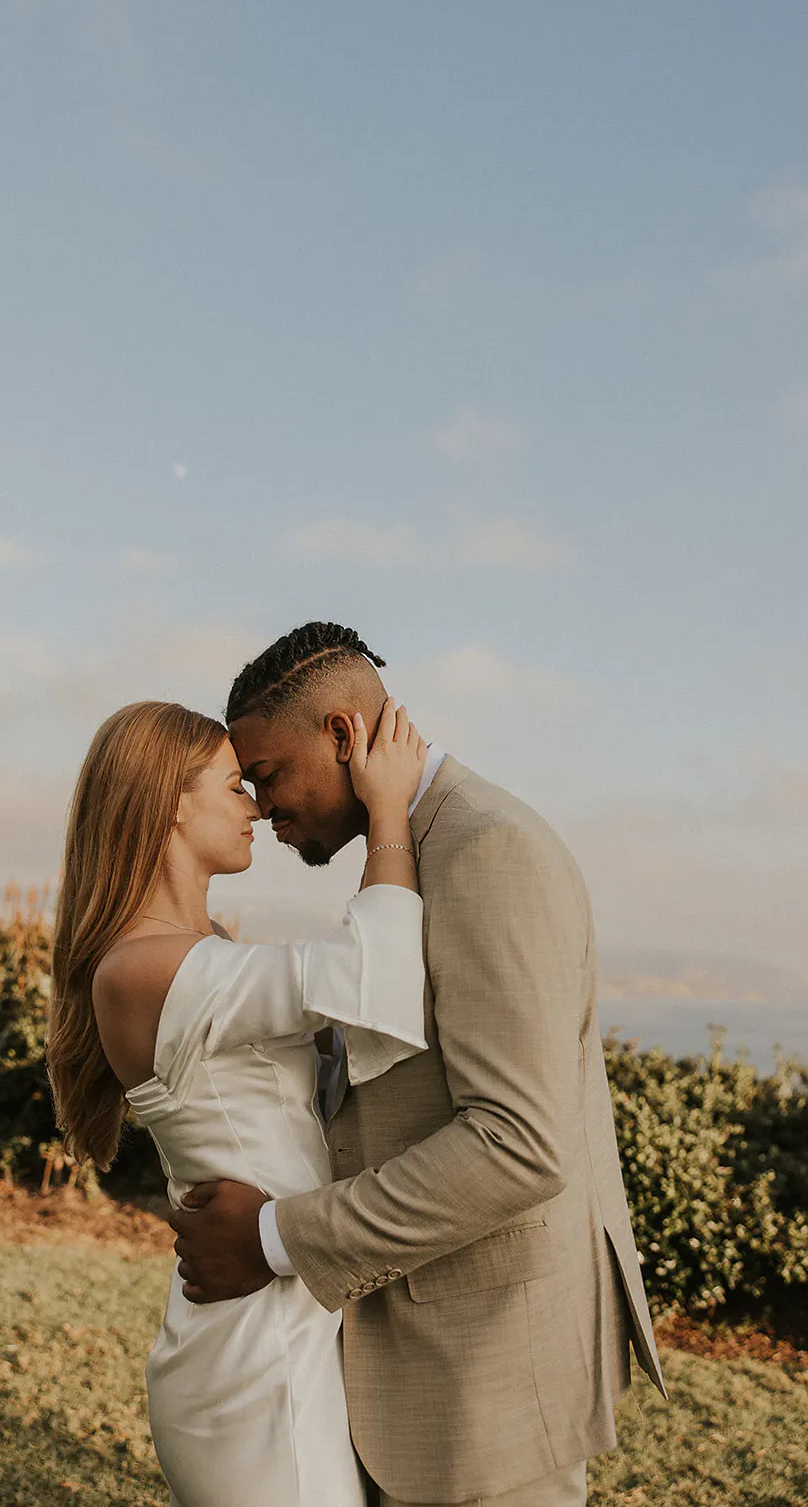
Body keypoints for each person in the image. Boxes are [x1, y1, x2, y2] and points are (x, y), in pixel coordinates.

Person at [169, 621, 667, 1507]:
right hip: (423, 1364)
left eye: (269, 774)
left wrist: (272, 1239)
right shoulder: (414, 847)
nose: (262, 806)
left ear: (342, 734)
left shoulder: (484, 849)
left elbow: (519, 1145)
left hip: (487, 1377)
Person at [47, 695, 430, 1507]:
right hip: (255, 1362)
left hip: (279, 1323)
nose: (255, 808)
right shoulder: (143, 970)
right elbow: (372, 976)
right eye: (233, 787)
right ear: (169, 804)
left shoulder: (203, 953)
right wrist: (388, 811)